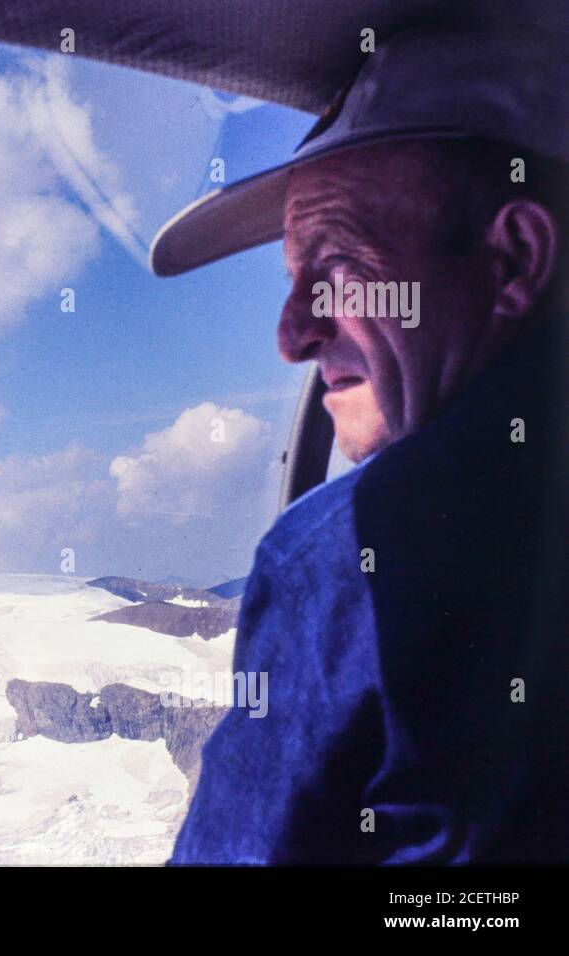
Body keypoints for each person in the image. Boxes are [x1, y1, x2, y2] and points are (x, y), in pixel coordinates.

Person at [150, 24, 569, 862]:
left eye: (337, 269)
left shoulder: (345, 557)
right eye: (290, 282)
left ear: (517, 258)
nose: (291, 335)